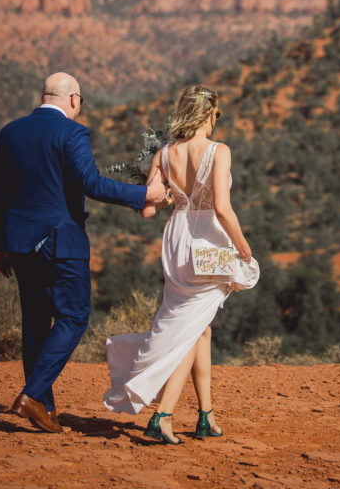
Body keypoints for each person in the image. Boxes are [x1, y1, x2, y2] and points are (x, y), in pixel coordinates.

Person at [0, 71, 168, 433]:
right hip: (61, 240)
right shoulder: (73, 132)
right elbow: (92, 184)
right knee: (73, 317)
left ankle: (45, 407)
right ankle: (33, 397)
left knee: (35, 323)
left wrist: (1, 246)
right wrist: (144, 197)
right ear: (74, 99)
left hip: (20, 243)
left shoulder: (9, 132)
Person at [103, 84, 255, 444]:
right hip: (208, 242)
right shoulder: (219, 152)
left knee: (198, 326)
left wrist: (168, 192)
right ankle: (163, 415)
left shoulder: (165, 152)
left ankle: (205, 415)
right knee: (191, 328)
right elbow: (222, 208)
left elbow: (147, 210)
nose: (217, 121)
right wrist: (244, 249)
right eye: (217, 115)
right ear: (207, 113)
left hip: (176, 240)